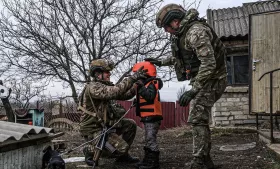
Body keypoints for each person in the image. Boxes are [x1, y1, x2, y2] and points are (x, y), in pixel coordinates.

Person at [145, 4, 227, 169]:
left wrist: (193, 90)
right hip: (206, 78)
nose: (166, 31)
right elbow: (183, 58)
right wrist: (161, 61)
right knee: (200, 119)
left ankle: (198, 162)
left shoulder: (196, 32)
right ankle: (206, 161)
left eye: (166, 27)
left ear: (175, 21)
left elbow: (209, 64)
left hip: (213, 78)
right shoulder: (184, 34)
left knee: (197, 118)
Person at [78, 58, 148, 166]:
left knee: (130, 125)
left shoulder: (103, 86)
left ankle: (123, 158)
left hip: (103, 125)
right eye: (106, 72)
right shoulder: (93, 87)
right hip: (93, 129)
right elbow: (115, 92)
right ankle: (89, 150)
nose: (109, 74)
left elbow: (125, 94)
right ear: (97, 73)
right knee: (121, 148)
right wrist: (132, 78)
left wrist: (137, 85)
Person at [132, 61, 163, 169]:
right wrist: (137, 102)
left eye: (138, 74)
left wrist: (140, 88)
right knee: (148, 139)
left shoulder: (152, 83)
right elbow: (146, 98)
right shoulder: (146, 85)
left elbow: (150, 97)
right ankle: (147, 160)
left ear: (146, 73)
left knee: (150, 139)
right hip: (148, 117)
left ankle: (153, 163)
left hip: (153, 117)